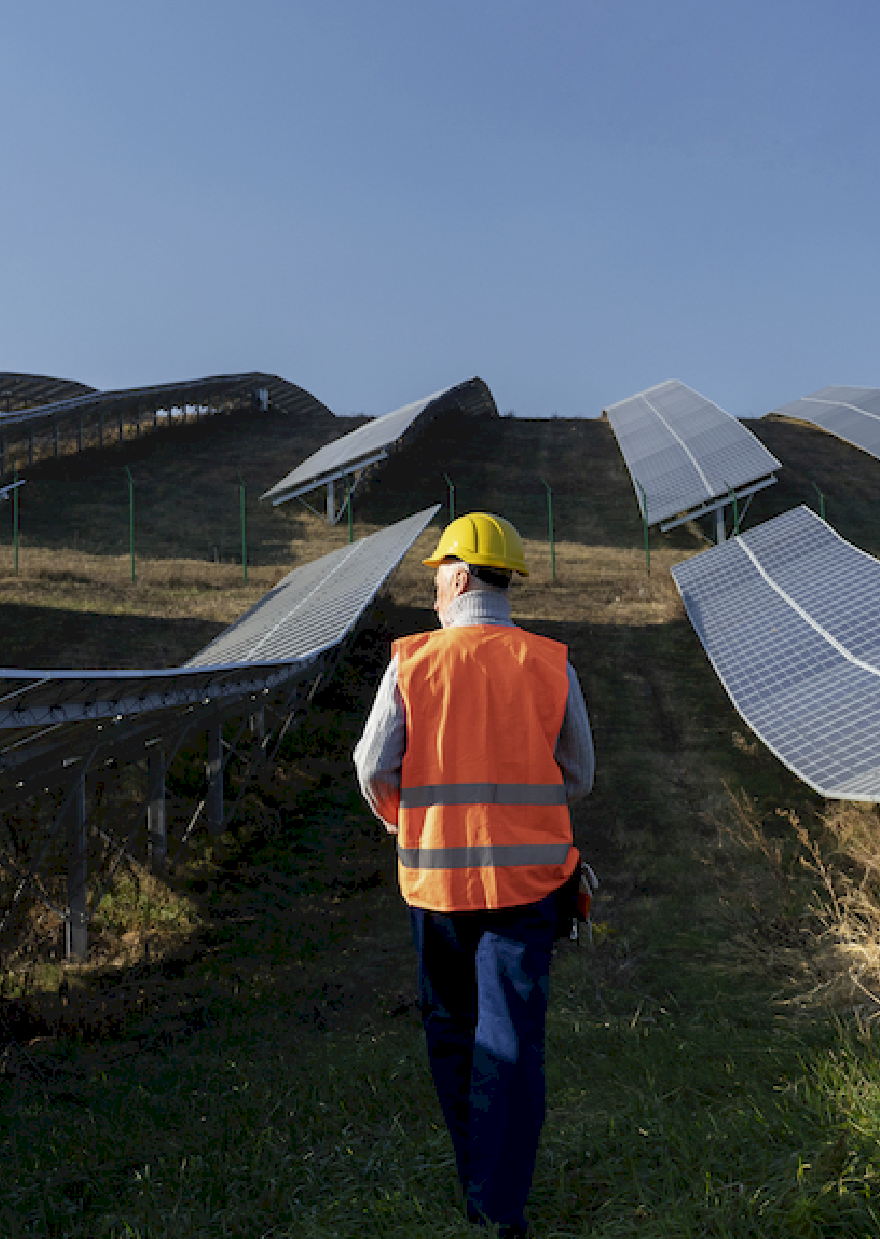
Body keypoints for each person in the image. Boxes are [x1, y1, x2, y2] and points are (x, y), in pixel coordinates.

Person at [355, 511, 595, 1239]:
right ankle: (500, 1205)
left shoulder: (412, 662)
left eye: (437, 578)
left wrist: (401, 819)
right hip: (530, 888)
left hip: (436, 888)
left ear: (459, 579)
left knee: (454, 1032)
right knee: (512, 1043)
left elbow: (372, 766)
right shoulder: (550, 663)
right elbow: (579, 774)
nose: (432, 591)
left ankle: (478, 1186)